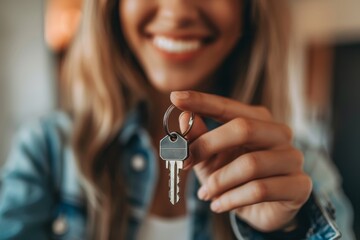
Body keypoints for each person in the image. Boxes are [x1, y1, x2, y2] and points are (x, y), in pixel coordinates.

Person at [0, 0, 355, 239]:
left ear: (250, 9)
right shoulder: (44, 150)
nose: (178, 11)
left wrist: (286, 231)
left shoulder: (300, 170)